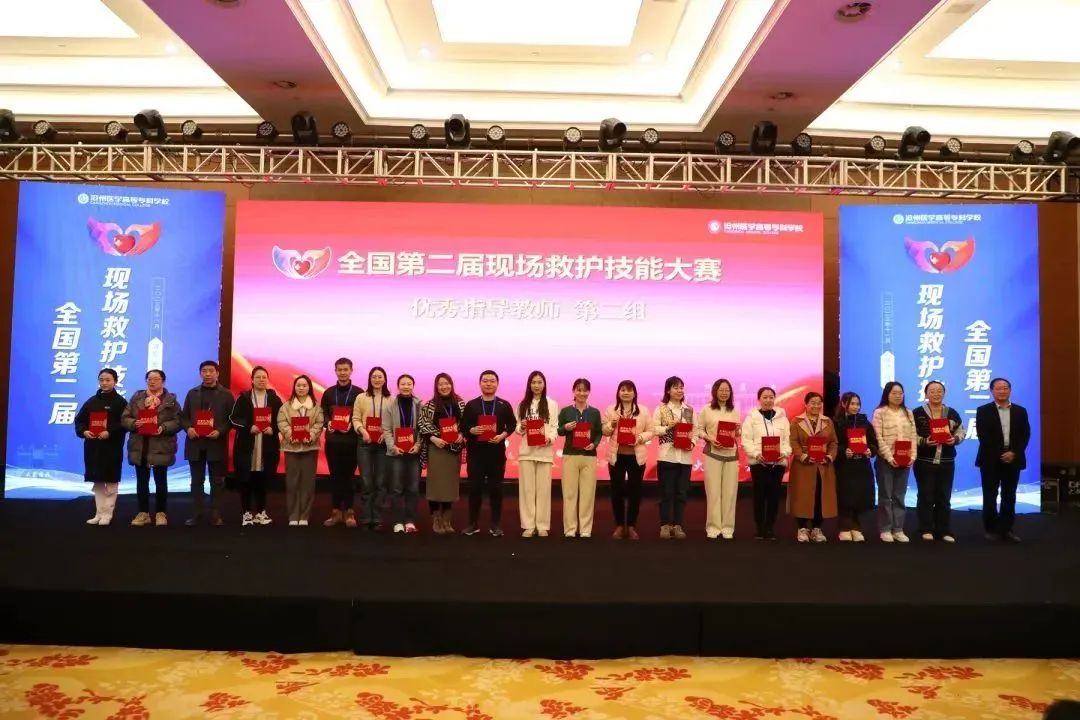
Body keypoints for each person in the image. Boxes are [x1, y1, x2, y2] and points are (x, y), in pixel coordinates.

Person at [460, 370, 516, 537]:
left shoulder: (504, 405)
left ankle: (495, 524)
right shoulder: (472, 405)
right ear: (480, 383)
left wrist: (502, 436)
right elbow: (463, 426)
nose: (489, 383)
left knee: (496, 490)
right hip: (476, 454)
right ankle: (473, 524)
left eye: (492, 381)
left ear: (497, 384)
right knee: (475, 489)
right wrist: (471, 430)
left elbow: (512, 425)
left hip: (496, 454)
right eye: (485, 380)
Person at [121, 369, 180, 527]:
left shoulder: (170, 400)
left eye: (156, 379)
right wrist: (135, 423)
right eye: (149, 379)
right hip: (140, 445)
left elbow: (178, 421)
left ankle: (161, 513)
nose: (152, 381)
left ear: (163, 381)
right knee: (142, 482)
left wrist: (163, 427)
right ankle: (143, 513)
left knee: (161, 482)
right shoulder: (137, 398)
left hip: (161, 445)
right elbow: (125, 417)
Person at [975, 377, 1031, 542]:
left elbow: (1025, 435)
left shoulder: (1020, 411)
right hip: (990, 459)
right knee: (990, 495)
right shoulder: (983, 410)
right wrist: (1001, 453)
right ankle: (991, 529)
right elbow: (983, 436)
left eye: (1005, 388)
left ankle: (1007, 529)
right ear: (992, 391)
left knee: (1009, 495)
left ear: (1010, 390)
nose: (1002, 391)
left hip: (1013, 459)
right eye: (998, 388)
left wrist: (1013, 452)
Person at [180, 361, 234, 526]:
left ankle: (215, 514)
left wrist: (220, 431)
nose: (208, 374)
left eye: (211, 371)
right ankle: (197, 514)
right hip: (195, 443)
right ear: (200, 373)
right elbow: (184, 417)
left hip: (215, 443)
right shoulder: (192, 393)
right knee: (196, 481)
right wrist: (188, 428)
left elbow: (232, 419)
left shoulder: (226, 394)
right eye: (204, 371)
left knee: (216, 482)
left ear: (217, 373)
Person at [229, 366, 283, 526]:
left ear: (268, 380)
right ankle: (246, 513)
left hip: (267, 446)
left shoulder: (274, 399)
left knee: (262, 480)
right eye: (258, 377)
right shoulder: (244, 398)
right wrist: (248, 427)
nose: (261, 380)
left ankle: (261, 512)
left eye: (264, 377)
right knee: (245, 480)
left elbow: (282, 420)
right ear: (252, 380)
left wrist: (273, 428)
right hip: (247, 446)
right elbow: (233, 418)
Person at [912, 380, 965, 543]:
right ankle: (926, 528)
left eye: (939, 391)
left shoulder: (952, 413)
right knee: (926, 495)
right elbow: (910, 434)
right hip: (924, 460)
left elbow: (961, 431)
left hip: (946, 461)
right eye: (932, 391)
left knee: (944, 497)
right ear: (926, 394)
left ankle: (943, 530)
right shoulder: (917, 413)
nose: (936, 394)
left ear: (944, 393)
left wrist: (955, 439)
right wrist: (924, 441)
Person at [74, 368, 128, 526]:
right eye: (101, 380)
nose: (104, 383)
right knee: (97, 482)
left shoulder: (121, 402)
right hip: (93, 448)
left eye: (108, 380)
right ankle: (98, 514)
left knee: (111, 481)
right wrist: (84, 431)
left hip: (112, 448)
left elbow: (125, 424)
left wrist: (109, 431)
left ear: (115, 382)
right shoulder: (91, 401)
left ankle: (107, 514)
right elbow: (79, 420)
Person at [601, 380, 653, 540]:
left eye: (629, 390)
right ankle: (619, 526)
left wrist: (639, 438)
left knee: (634, 492)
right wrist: (611, 425)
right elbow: (604, 431)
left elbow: (651, 431)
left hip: (636, 457)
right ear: (618, 393)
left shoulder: (643, 411)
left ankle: (631, 526)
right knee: (616, 491)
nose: (626, 393)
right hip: (616, 456)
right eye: (623, 390)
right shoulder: (611, 410)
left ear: (634, 393)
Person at [741, 386, 791, 540]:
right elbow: (746, 440)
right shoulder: (751, 418)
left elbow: (787, 441)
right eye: (765, 397)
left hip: (777, 464)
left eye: (771, 397)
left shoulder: (783, 418)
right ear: (759, 399)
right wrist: (756, 454)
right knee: (759, 496)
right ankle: (760, 528)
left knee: (774, 497)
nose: (768, 400)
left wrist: (784, 453)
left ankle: (770, 527)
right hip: (759, 464)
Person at [418, 373, 466, 535]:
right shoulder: (429, 405)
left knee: (449, 485)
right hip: (436, 448)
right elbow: (422, 425)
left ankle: (447, 519)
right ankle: (436, 518)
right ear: (436, 387)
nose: (444, 386)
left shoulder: (460, 403)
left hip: (453, 450)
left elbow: (466, 424)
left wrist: (461, 434)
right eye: (440, 384)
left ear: (451, 385)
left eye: (447, 383)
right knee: (435, 485)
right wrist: (434, 438)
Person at [788, 392, 838, 543]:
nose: (816, 406)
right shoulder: (796, 421)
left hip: (823, 465)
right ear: (806, 404)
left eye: (819, 403)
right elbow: (793, 442)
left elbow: (833, 442)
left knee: (820, 496)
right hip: (803, 465)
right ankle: (802, 528)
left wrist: (829, 456)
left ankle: (817, 528)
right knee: (802, 496)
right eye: (812, 403)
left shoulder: (828, 421)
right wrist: (802, 456)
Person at [557, 378, 603, 538]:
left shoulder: (595, 412)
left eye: (585, 390)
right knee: (569, 494)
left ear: (589, 392)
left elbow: (599, 433)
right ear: (574, 391)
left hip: (589, 456)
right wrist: (565, 427)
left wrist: (594, 444)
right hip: (570, 455)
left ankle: (585, 529)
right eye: (579, 390)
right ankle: (570, 529)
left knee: (587, 495)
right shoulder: (566, 411)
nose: (582, 393)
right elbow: (559, 431)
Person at [871, 381, 917, 543]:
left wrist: (912, 456)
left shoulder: (908, 413)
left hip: (905, 460)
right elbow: (878, 437)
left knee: (899, 495)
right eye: (894, 393)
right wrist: (890, 457)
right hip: (886, 460)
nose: (898, 396)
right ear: (887, 395)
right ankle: (885, 529)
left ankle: (898, 529)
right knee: (886, 495)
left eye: (900, 393)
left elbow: (913, 436)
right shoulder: (880, 412)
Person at [321, 357, 363, 528]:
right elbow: (323, 412)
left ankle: (350, 513)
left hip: (351, 442)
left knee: (349, 478)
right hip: (333, 442)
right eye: (340, 369)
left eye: (346, 369)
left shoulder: (359, 393)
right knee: (335, 477)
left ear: (351, 371)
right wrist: (328, 423)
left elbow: (361, 414)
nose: (343, 372)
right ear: (335, 371)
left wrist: (352, 424)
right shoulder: (329, 393)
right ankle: (336, 512)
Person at [652, 376, 697, 540]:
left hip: (685, 458)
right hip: (667, 457)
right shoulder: (661, 409)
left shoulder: (689, 410)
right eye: (675, 387)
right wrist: (668, 427)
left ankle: (677, 525)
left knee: (681, 494)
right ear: (668, 390)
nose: (679, 390)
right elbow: (654, 429)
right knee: (666, 493)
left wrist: (692, 443)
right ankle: (665, 525)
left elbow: (696, 431)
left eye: (681, 387)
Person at [516, 371, 559, 538]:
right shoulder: (523, 404)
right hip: (526, 453)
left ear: (544, 384)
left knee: (543, 491)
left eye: (539, 382)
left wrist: (549, 439)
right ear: (529, 385)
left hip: (544, 452)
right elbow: (518, 429)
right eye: (533, 382)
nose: (536, 385)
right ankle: (528, 525)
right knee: (527, 491)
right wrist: (522, 427)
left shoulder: (552, 404)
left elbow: (554, 427)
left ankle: (542, 525)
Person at [697, 378, 741, 540]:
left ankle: (728, 527)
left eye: (727, 390)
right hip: (713, 453)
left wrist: (738, 431)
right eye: (721, 390)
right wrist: (709, 438)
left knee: (730, 493)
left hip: (731, 454)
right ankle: (713, 527)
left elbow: (736, 434)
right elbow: (699, 430)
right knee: (713, 492)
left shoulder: (734, 410)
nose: (724, 393)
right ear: (715, 391)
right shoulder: (707, 409)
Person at [277, 374, 324, 526]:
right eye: (298, 385)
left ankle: (304, 516)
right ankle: (293, 515)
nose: (301, 388)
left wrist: (311, 435)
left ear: (309, 387)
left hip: (310, 449)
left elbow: (319, 423)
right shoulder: (286, 406)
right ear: (294, 387)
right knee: (292, 483)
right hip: (291, 449)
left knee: (307, 483)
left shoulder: (316, 407)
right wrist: (291, 435)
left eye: (304, 385)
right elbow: (281, 422)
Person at [833, 391, 879, 542]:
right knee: (845, 496)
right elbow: (832, 444)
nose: (855, 407)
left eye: (858, 404)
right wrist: (843, 451)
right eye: (852, 404)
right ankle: (844, 527)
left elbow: (874, 443)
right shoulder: (836, 423)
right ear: (844, 404)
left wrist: (870, 450)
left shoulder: (864, 422)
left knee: (860, 496)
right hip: (844, 466)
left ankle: (856, 527)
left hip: (861, 465)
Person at [382, 374, 423, 534]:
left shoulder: (419, 404)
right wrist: (392, 447)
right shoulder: (390, 405)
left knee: (413, 488)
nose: (406, 386)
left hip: (413, 453)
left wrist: (418, 445)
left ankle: (410, 521)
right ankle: (398, 521)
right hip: (396, 453)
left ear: (413, 386)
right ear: (398, 386)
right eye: (403, 384)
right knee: (396, 489)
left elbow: (421, 429)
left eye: (409, 384)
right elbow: (386, 429)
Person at [352, 366, 391, 530]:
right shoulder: (361, 397)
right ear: (370, 379)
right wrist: (363, 431)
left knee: (381, 482)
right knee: (366, 481)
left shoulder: (391, 399)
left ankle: (377, 518)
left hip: (383, 445)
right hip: (365, 442)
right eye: (374, 376)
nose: (377, 379)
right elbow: (355, 418)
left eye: (380, 376)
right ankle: (367, 517)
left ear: (385, 379)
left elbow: (393, 422)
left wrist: (386, 433)